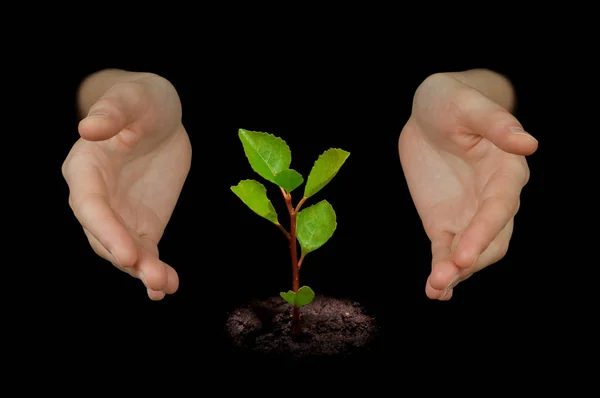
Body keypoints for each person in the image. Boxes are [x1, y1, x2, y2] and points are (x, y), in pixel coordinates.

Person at [61, 67, 538, 302]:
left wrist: (481, 108)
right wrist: (112, 105)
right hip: (149, 171)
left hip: (444, 177)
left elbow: (505, 80)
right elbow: (88, 81)